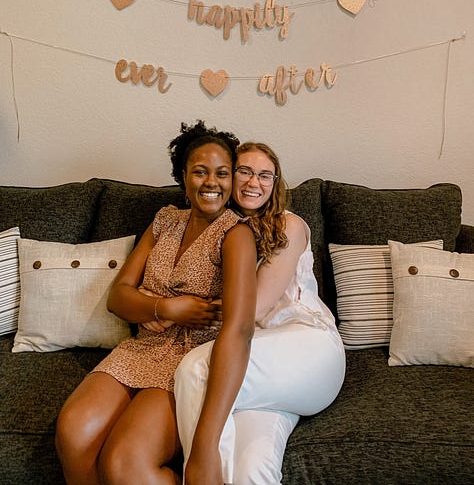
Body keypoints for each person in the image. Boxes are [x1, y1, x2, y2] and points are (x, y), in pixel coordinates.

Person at [55, 121, 257, 485]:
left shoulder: (236, 233)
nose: (211, 182)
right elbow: (118, 297)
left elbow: (240, 329)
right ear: (184, 177)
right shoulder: (165, 220)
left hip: (188, 359)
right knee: (73, 432)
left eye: (222, 173)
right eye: (200, 171)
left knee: (123, 463)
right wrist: (167, 307)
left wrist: (205, 446)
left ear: (232, 180)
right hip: (141, 347)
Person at [174, 142, 346, 484]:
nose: (255, 182)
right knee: (252, 468)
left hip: (309, 349)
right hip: (259, 363)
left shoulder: (288, 225)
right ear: (230, 176)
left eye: (265, 175)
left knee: (196, 368)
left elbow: (253, 308)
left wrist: (173, 312)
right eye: (245, 172)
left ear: (275, 183)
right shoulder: (221, 229)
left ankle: (201, 472)